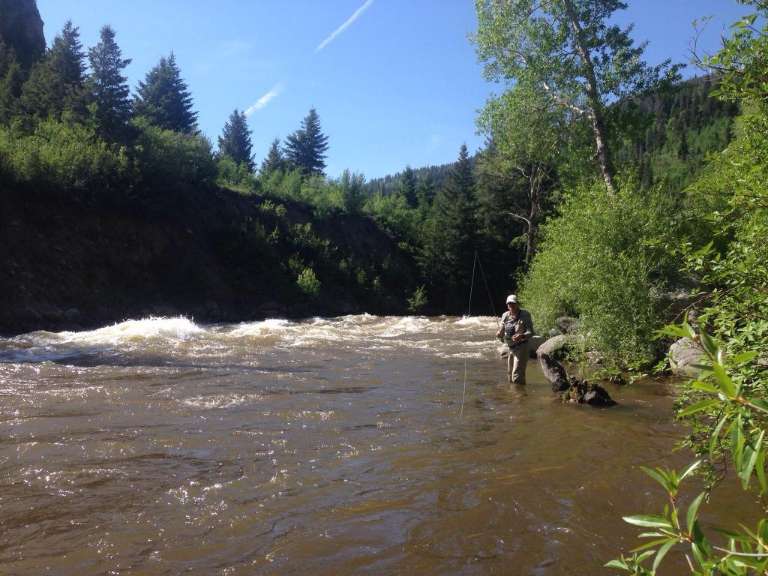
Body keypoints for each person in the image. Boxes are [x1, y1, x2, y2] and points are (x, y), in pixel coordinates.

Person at [496, 294, 534, 385]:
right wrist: (499, 334)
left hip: (522, 347)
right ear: (507, 304)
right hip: (510, 348)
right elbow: (501, 332)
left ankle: (520, 398)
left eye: (513, 303)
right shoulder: (505, 315)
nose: (511, 306)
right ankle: (515, 395)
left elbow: (531, 332)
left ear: (517, 304)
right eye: (509, 304)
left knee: (517, 376)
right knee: (510, 376)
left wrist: (521, 335)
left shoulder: (525, 314)